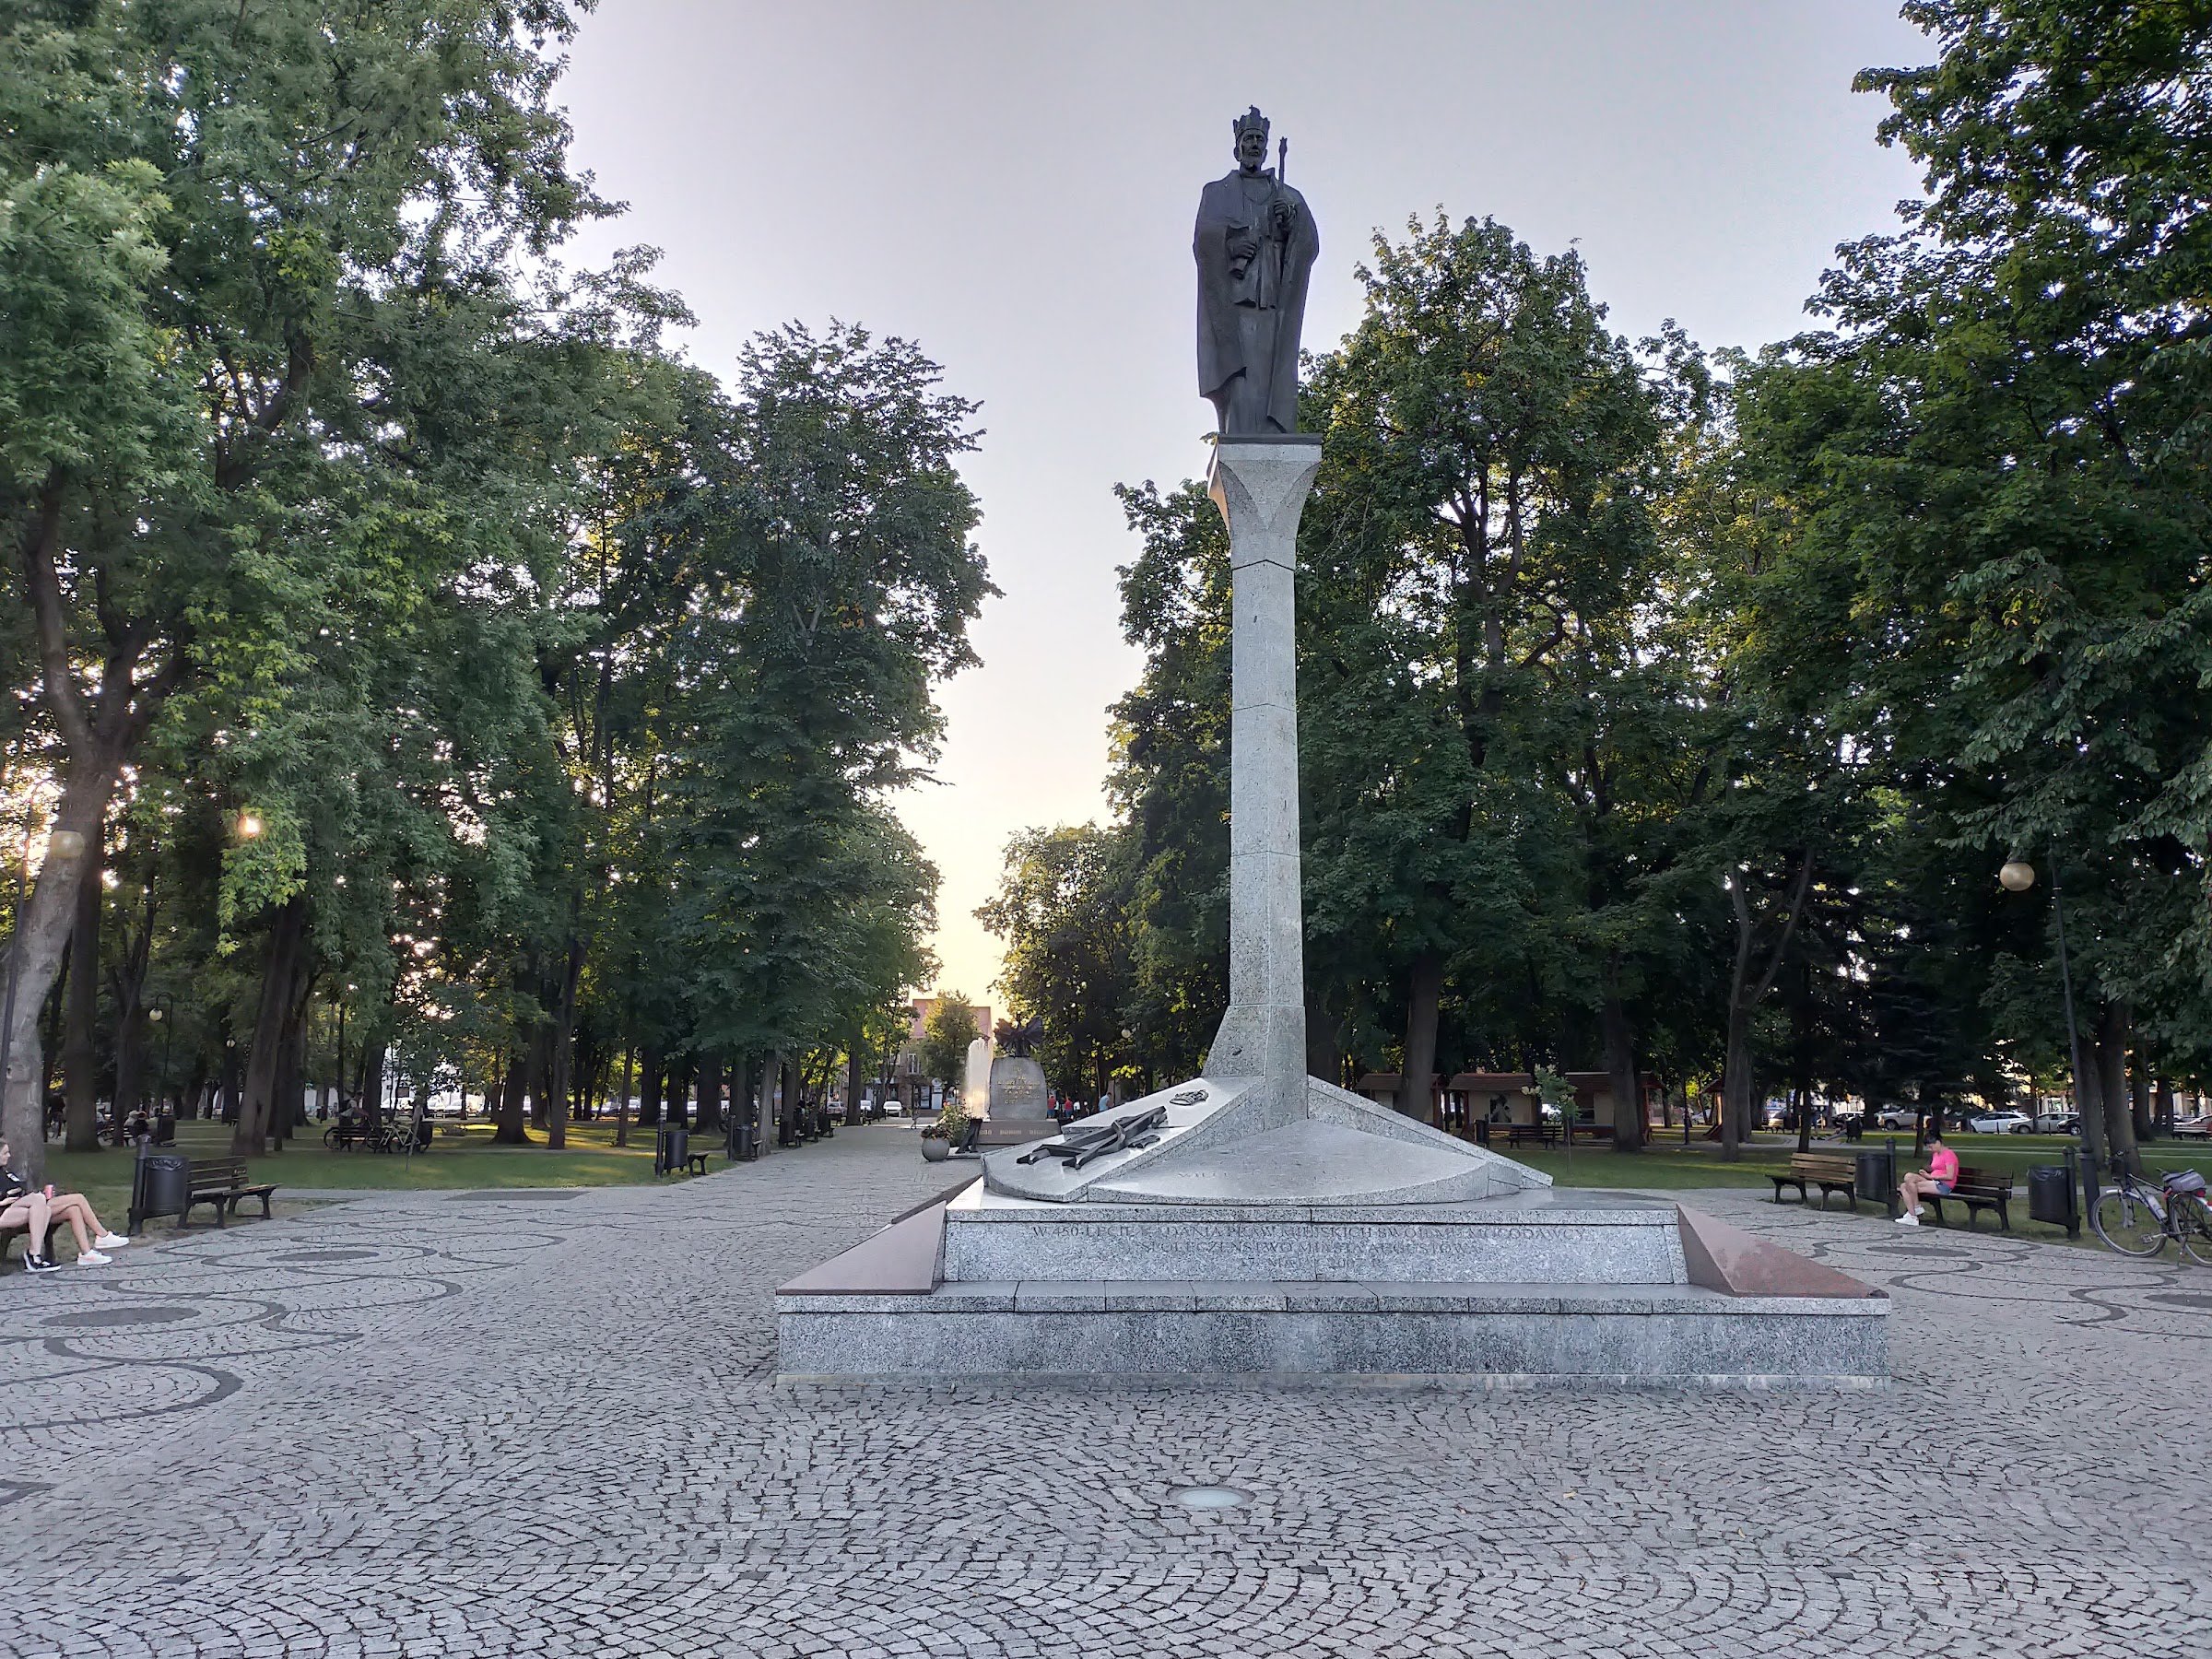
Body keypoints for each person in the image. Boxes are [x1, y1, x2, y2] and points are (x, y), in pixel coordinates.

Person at [0, 1141, 126, 1265]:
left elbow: (19, 1189)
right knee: (76, 1198)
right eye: (5, 1153)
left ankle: (87, 1254)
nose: (9, 1155)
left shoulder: (5, 1172)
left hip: (27, 1206)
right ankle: (102, 1236)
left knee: (73, 1209)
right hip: (7, 1211)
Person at [1897, 1132, 1959, 1226]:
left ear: (1938, 1142)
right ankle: (1914, 1212)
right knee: (1908, 1178)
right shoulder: (1936, 1154)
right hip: (1933, 1180)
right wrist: (1926, 1174)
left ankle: (1913, 1215)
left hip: (1942, 1185)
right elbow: (1936, 1168)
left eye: (1931, 1146)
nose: (1930, 1149)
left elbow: (1949, 1176)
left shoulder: (1948, 1154)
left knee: (1906, 1187)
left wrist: (1931, 1176)